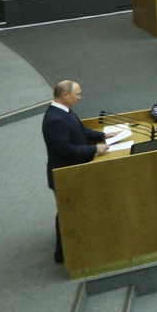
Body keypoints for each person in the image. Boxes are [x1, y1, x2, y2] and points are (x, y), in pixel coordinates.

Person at [42, 79, 110, 263]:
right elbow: (64, 149)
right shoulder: (55, 119)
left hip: (74, 171)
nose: (80, 97)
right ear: (65, 95)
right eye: (77, 94)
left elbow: (79, 132)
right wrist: (94, 149)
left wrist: (102, 135)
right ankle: (63, 254)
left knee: (71, 210)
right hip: (66, 174)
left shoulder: (63, 111)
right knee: (67, 212)